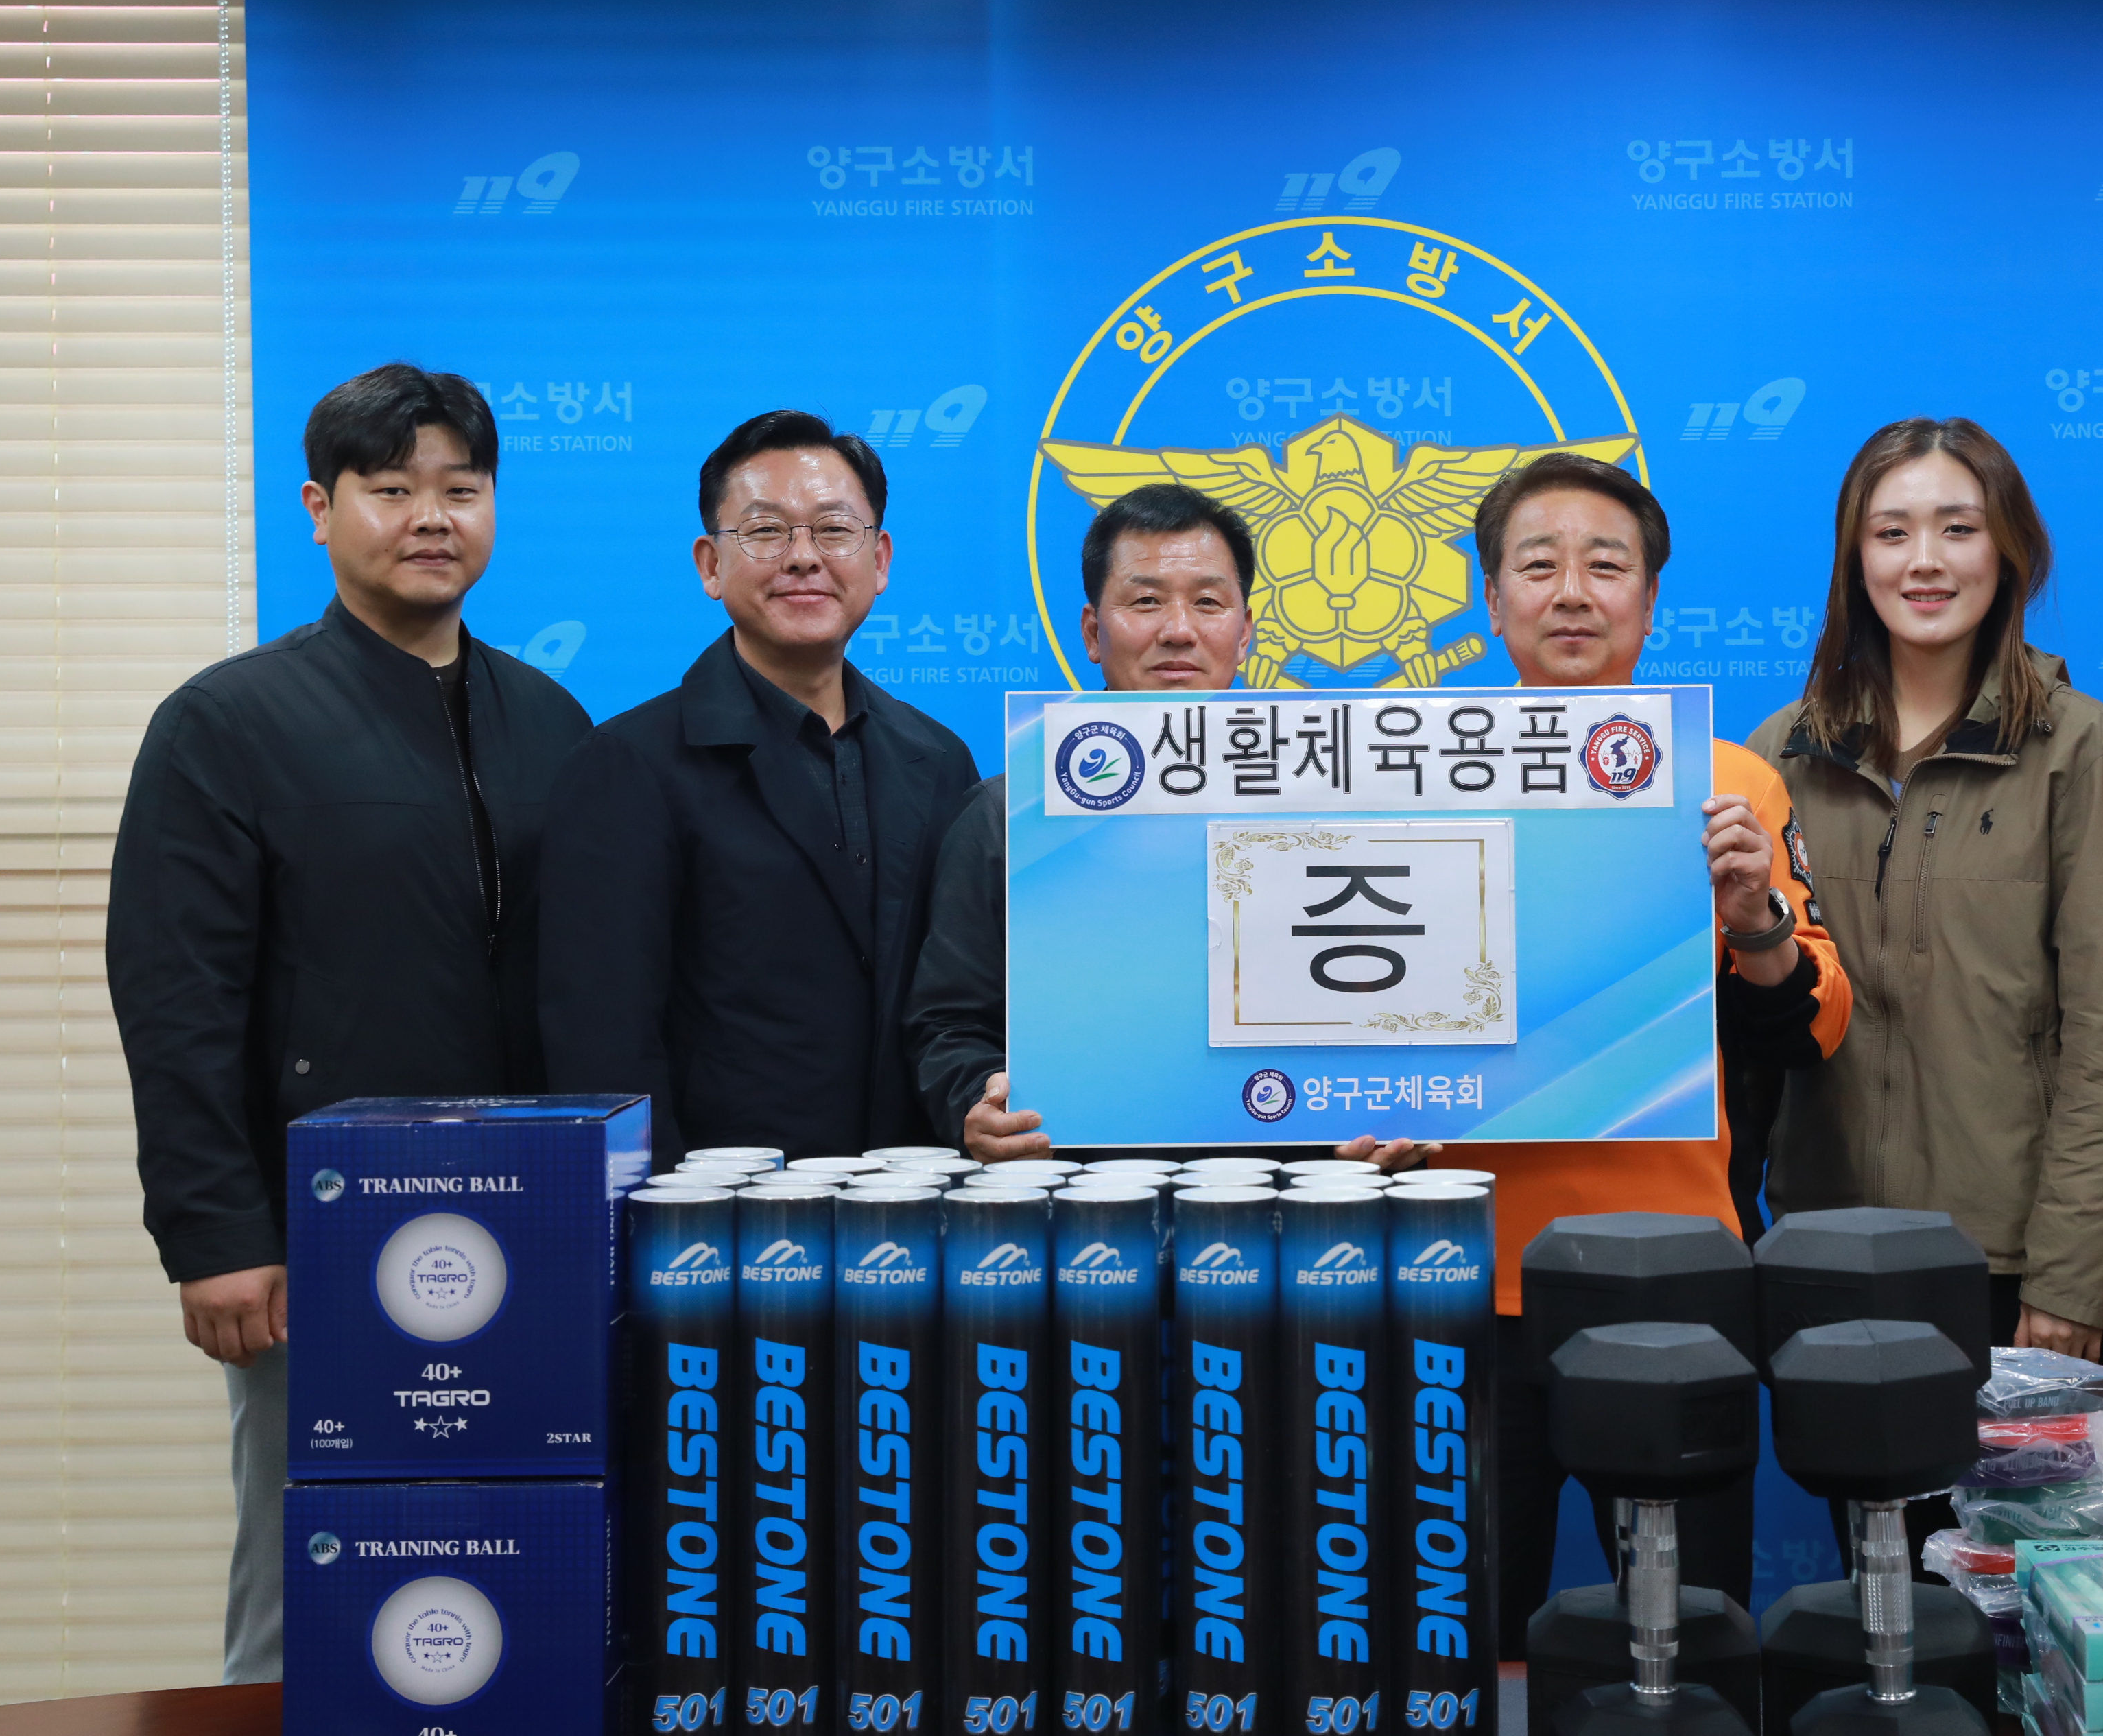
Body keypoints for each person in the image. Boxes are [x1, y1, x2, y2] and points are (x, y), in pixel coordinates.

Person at [107, 365, 593, 1683]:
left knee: (518, 1570)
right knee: (311, 1574)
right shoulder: (226, 723)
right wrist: (217, 1233)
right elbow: (174, 998)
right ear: (320, 511)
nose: (431, 517)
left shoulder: (552, 722)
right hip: (319, 1236)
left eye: (461, 489)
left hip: (532, 1225)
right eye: (390, 489)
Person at [1440, 453, 1851, 1634]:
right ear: (1491, 600)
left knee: (1690, 1637)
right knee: (1461, 1637)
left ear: (1650, 599)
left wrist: (1753, 915)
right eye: (1538, 566)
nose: (1572, 592)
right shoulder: (1405, 771)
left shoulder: (1727, 782)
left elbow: (1813, 1025)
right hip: (1456, 1269)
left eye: (1605, 565)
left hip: (1668, 1271)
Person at [1750, 418, 2103, 1362]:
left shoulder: (2085, 751)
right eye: (1892, 533)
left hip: (2006, 1263)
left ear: (2009, 551)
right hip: (1820, 1246)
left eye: (1959, 529)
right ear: (1855, 560)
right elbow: (1750, 1034)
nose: (1925, 561)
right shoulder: (1781, 754)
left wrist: (2073, 1280)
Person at [907, 481, 1419, 1166]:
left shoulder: (1335, 810)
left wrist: (1382, 1124)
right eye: (1146, 601)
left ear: (1245, 632)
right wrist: (977, 1102)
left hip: (1289, 1201)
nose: (1179, 629)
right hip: (1076, 1201)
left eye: (1208, 602)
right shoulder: (1009, 818)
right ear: (1093, 632)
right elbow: (948, 1025)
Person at [540, 409, 979, 1162]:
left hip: (912, 1196)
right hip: (720, 1206)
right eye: (766, 531)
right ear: (710, 564)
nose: (804, 558)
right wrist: (662, 1208)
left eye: (834, 530)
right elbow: (602, 1038)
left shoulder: (939, 758)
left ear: (879, 559)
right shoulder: (628, 764)